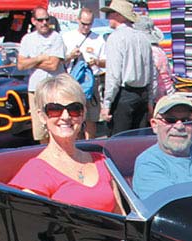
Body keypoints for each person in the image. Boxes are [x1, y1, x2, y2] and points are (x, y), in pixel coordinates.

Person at [9, 74, 123, 213]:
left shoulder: (101, 161)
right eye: (55, 109)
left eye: (74, 109)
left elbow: (121, 214)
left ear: (83, 114)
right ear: (42, 116)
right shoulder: (35, 172)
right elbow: (31, 222)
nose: (66, 116)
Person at [101, 0, 153, 135]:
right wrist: (150, 101)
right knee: (139, 140)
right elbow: (151, 73)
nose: (108, 17)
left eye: (111, 13)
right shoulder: (144, 38)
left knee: (119, 140)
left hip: (124, 95)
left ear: (119, 15)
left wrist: (107, 104)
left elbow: (113, 75)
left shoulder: (116, 38)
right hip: (142, 95)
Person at [18, 6, 67, 142]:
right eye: (40, 20)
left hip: (54, 89)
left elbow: (53, 65)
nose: (44, 23)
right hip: (36, 89)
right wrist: (40, 58)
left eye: (47, 19)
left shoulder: (56, 37)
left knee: (57, 125)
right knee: (40, 130)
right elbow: (20, 65)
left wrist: (30, 62)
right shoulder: (27, 39)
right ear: (34, 21)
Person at [62, 7, 105, 138]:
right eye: (83, 24)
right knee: (74, 116)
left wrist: (97, 62)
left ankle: (90, 143)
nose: (86, 27)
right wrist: (70, 56)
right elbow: (60, 61)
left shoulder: (99, 39)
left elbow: (106, 62)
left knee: (91, 118)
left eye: (89, 24)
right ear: (78, 20)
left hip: (92, 82)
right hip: (73, 82)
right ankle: (76, 143)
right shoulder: (67, 37)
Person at [134, 17, 174, 107]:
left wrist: (150, 102)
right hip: (167, 93)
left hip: (158, 97)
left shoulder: (150, 51)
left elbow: (153, 79)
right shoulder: (159, 49)